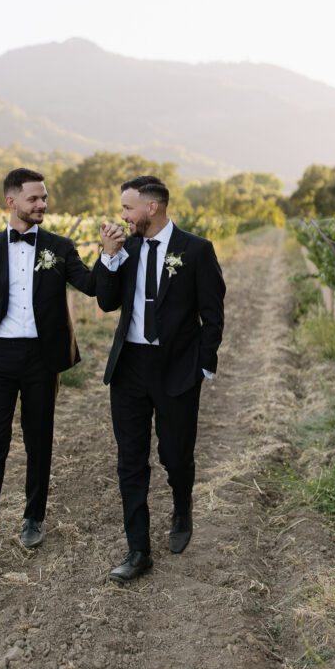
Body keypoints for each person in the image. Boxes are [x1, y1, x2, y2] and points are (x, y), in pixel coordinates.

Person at [0, 167, 124, 563]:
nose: (42, 205)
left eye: (45, 198)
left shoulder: (59, 246)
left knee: (39, 441)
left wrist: (108, 256)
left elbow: (90, 287)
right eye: (34, 198)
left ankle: (33, 517)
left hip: (40, 358)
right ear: (11, 201)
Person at [96, 175, 225, 581]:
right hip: (129, 368)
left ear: (152, 208)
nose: (122, 216)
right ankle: (138, 550)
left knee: (175, 454)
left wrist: (203, 365)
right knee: (130, 461)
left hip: (177, 368)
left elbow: (213, 313)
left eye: (127, 209)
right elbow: (106, 301)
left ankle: (182, 505)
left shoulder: (196, 250)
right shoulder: (126, 248)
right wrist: (108, 256)